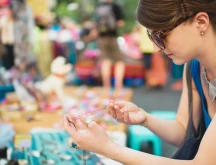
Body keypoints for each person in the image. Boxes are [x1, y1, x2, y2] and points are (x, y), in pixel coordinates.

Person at [64, 0, 216, 164]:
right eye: (151, 36)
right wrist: (145, 118)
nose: (157, 48)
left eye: (160, 35)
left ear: (201, 22)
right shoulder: (195, 67)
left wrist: (107, 148)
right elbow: (184, 133)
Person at [94, 0, 125, 95]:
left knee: (105, 61)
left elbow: (95, 24)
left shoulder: (99, 7)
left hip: (101, 38)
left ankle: (106, 86)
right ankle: (118, 86)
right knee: (119, 61)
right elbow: (121, 22)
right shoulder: (115, 6)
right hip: (112, 37)